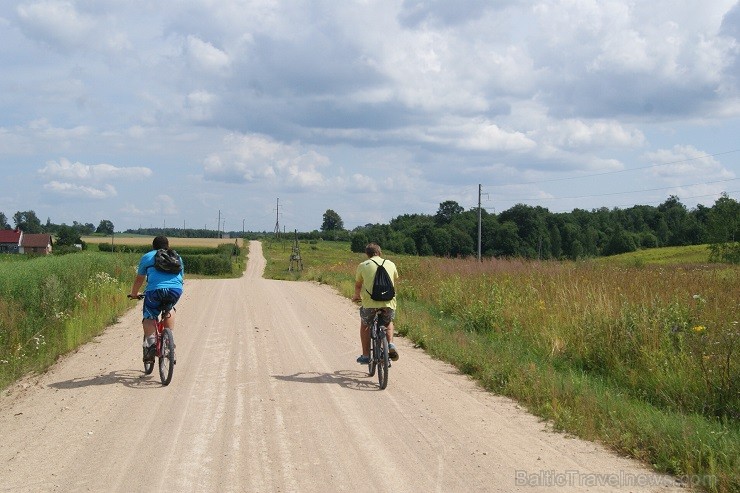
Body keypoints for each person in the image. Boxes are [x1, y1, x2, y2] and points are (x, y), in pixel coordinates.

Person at [128, 236, 184, 364]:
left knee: (149, 316)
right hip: (175, 290)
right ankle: (169, 343)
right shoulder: (177, 257)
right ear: (167, 246)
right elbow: (181, 278)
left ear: (153, 246)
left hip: (155, 291)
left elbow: (139, 279)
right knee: (169, 308)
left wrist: (134, 294)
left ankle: (151, 343)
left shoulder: (148, 257)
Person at [351, 243, 399, 364]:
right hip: (388, 302)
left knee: (365, 324)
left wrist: (357, 296)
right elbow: (394, 279)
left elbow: (358, 285)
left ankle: (366, 355)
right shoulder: (391, 264)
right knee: (388, 322)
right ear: (379, 252)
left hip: (370, 303)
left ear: (367, 254)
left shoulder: (363, 265)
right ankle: (391, 344)